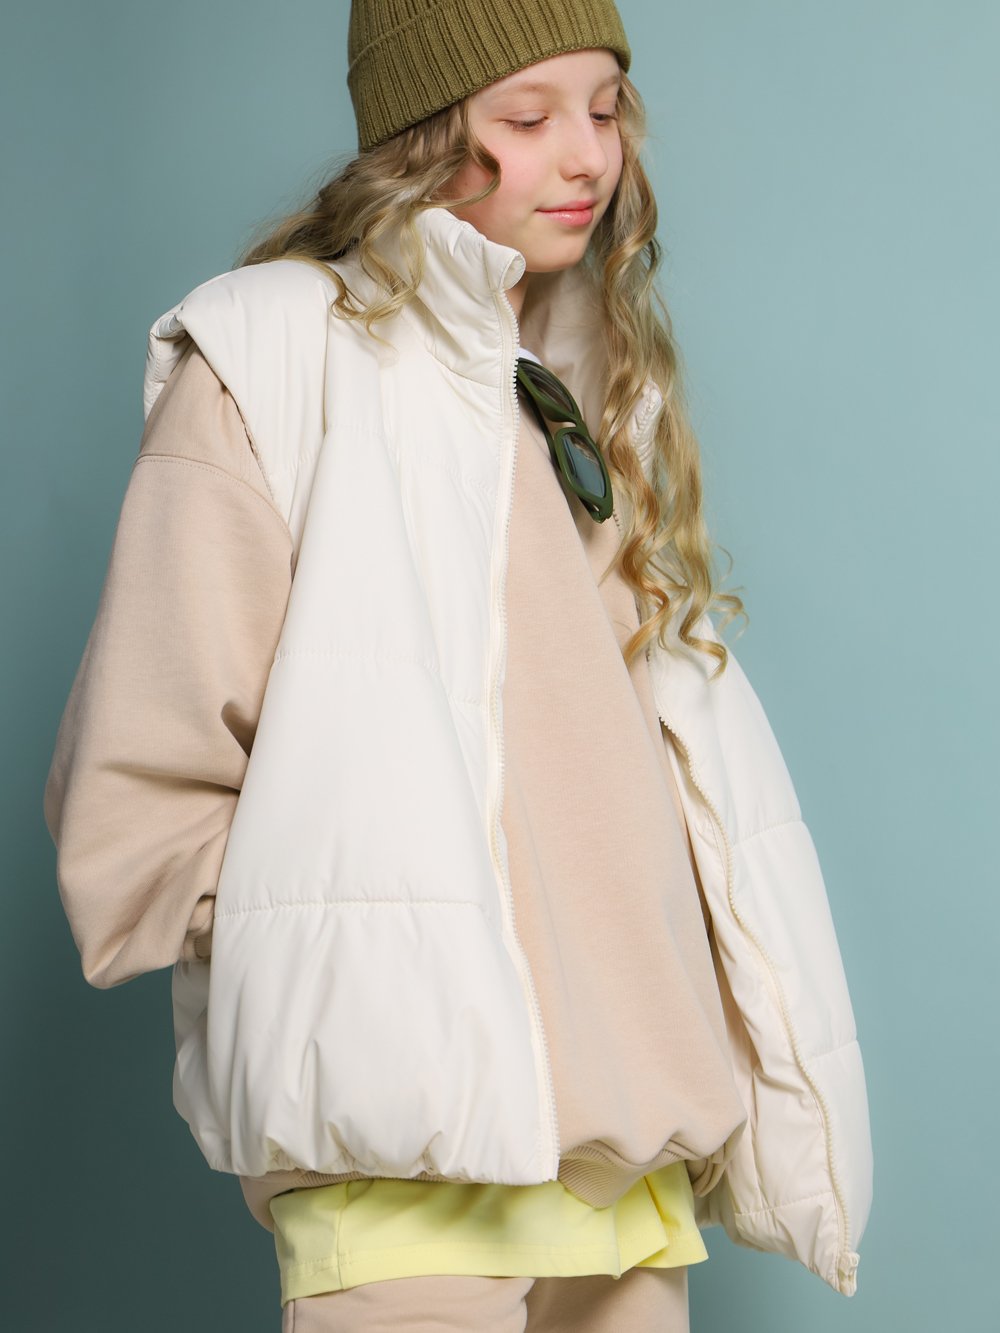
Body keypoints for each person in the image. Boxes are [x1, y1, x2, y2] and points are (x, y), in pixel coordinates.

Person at [43, 2, 873, 1329]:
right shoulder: (276, 350)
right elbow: (138, 784)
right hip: (406, 1164)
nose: (586, 156)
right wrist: (328, 967)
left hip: (626, 1157)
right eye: (527, 118)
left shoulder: (585, 392)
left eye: (605, 109)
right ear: (421, 137)